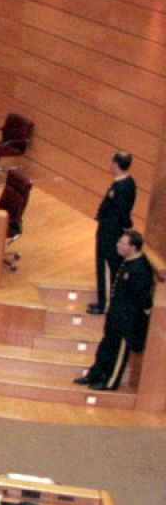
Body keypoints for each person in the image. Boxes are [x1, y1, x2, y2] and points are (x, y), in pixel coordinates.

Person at [76, 230, 154, 391]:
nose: (118, 245)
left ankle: (110, 382)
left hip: (127, 319)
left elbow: (143, 298)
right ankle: (95, 373)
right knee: (106, 346)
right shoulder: (128, 261)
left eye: (122, 243)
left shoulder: (140, 269)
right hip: (116, 314)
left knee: (118, 351)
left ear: (133, 247)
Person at [90, 151, 138, 315]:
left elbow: (118, 213)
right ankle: (105, 301)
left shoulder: (121, 187)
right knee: (108, 268)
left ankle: (104, 304)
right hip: (110, 231)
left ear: (116, 164)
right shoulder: (127, 182)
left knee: (106, 269)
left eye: (112, 162)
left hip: (110, 235)